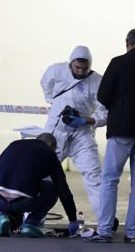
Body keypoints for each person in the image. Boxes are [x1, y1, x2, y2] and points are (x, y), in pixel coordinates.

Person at [83, 29, 135, 244]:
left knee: (110, 179)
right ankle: (132, 233)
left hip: (121, 129)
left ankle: (105, 230)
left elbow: (103, 96)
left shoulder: (118, 63)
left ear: (127, 43)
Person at [40, 46, 107, 221]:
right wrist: (52, 101)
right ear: (71, 63)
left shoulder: (98, 82)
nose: (81, 72)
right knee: (41, 172)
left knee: (93, 175)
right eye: (77, 68)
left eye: (85, 69)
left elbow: (105, 112)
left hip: (82, 134)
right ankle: (31, 217)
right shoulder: (56, 71)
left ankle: (105, 221)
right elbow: (45, 84)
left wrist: (86, 120)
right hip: (55, 132)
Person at [0, 132, 79, 238]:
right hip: (24, 202)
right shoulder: (49, 153)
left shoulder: (14, 144)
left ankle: (0, 216)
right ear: (51, 145)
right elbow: (63, 190)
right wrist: (73, 220)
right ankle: (30, 223)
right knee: (53, 188)